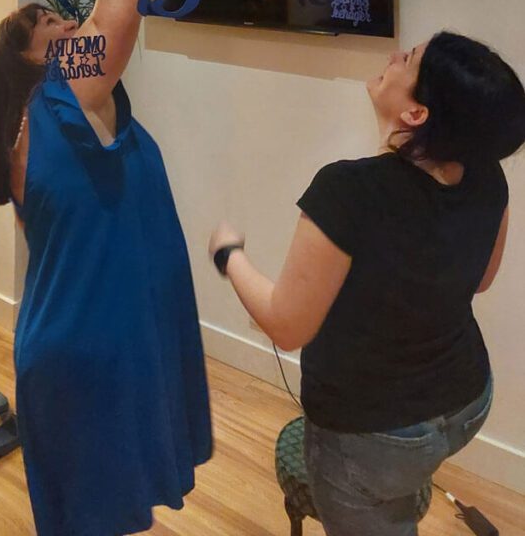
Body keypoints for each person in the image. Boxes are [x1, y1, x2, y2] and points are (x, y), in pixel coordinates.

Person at [0, 0, 212, 536]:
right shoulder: (67, 92)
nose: (70, 23)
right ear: (36, 59)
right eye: (52, 25)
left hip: (56, 351)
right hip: (92, 357)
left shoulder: (18, 134)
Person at [209, 33, 525, 536]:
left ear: (417, 114)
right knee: (395, 493)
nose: (396, 55)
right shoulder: (488, 177)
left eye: (411, 59)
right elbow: (481, 280)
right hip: (467, 404)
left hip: (374, 432)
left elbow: (286, 328)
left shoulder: (346, 191)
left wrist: (229, 254)